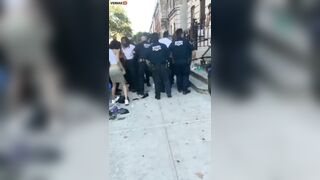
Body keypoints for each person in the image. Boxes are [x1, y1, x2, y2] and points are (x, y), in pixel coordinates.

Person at [147, 33, 172, 100]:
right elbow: (168, 54)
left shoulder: (150, 47)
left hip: (154, 66)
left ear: (152, 39)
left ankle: (157, 96)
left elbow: (147, 57)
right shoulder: (163, 46)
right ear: (158, 38)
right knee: (166, 79)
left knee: (157, 81)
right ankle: (169, 93)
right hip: (163, 65)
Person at [169, 29, 193, 94]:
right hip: (185, 61)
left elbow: (169, 49)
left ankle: (179, 88)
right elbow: (192, 48)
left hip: (176, 62)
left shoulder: (173, 42)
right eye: (182, 33)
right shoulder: (185, 41)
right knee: (185, 75)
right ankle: (185, 90)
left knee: (178, 75)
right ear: (181, 34)